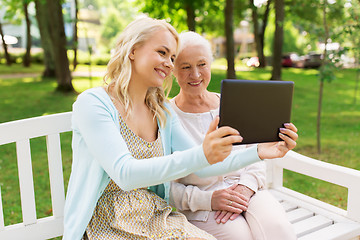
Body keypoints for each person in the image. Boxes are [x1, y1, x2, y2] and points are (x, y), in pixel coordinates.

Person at [63, 17, 297, 240]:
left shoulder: (160, 109)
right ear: (133, 50)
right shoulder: (93, 103)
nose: (168, 62)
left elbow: (205, 167)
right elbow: (125, 174)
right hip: (107, 222)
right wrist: (203, 154)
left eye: (172, 57)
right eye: (162, 52)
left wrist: (259, 152)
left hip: (154, 215)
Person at [169, 31, 298, 240]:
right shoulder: (167, 117)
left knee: (278, 229)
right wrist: (209, 199)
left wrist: (246, 187)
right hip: (202, 205)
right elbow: (166, 185)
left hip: (248, 190)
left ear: (210, 64)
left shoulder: (232, 103)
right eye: (185, 67)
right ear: (173, 69)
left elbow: (255, 154)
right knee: (239, 237)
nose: (195, 74)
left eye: (202, 64)